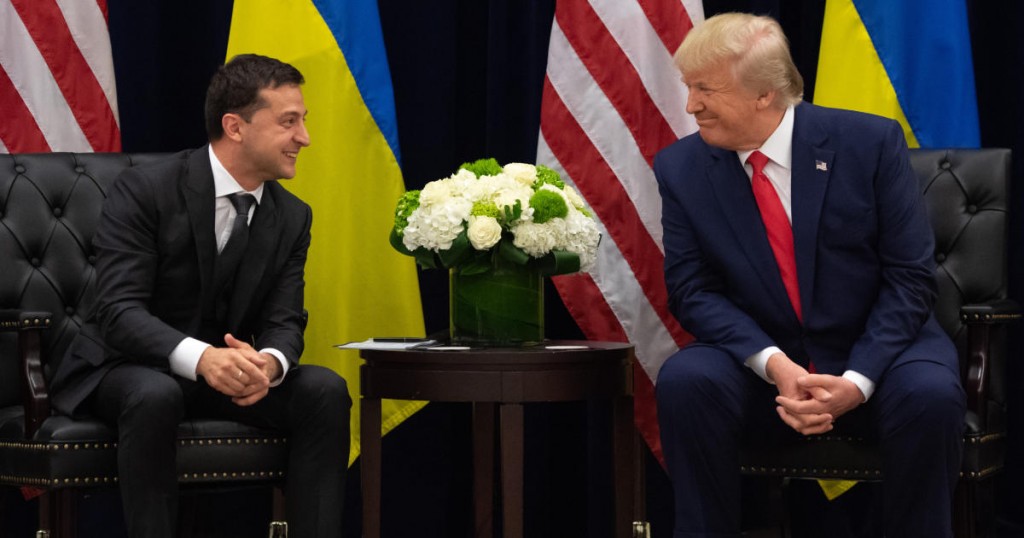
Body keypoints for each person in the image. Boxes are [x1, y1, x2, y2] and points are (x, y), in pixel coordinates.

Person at [653, 13, 965, 538]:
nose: (691, 106)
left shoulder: (869, 143)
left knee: (931, 394)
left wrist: (857, 381)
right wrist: (775, 364)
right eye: (689, 87)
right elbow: (691, 290)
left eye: (706, 90)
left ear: (765, 94)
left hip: (879, 355)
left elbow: (910, 278)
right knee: (687, 382)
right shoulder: (681, 168)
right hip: (765, 362)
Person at [49, 54, 351, 538]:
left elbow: (284, 319)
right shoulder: (146, 189)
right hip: (123, 364)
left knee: (324, 390)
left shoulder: (292, 216)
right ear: (235, 126)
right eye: (288, 122)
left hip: (221, 374)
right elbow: (118, 311)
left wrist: (269, 364)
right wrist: (202, 358)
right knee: (156, 393)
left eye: (303, 121)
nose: (305, 138)